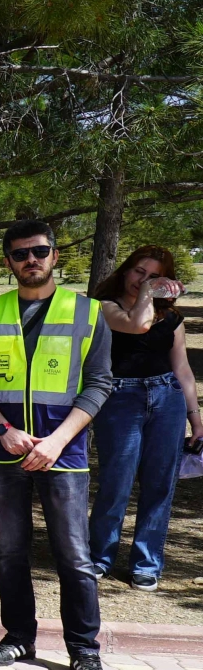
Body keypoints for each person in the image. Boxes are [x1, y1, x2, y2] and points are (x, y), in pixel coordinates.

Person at [0, 220, 113, 670]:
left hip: (61, 454)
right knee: (9, 551)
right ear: (8, 261)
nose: (32, 259)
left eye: (40, 251)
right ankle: (20, 637)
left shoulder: (87, 312)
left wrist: (57, 441)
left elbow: (100, 383)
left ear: (55, 256)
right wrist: (3, 430)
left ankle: (84, 652)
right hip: (4, 449)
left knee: (74, 555)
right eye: (21, 253)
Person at [89, 246, 199, 589]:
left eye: (154, 276)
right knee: (116, 482)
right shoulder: (105, 307)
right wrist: (150, 294)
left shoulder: (171, 318)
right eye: (139, 272)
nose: (144, 281)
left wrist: (195, 417)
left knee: (159, 485)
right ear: (125, 271)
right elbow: (137, 324)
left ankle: (146, 564)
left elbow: (181, 368)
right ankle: (98, 557)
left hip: (167, 398)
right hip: (120, 398)